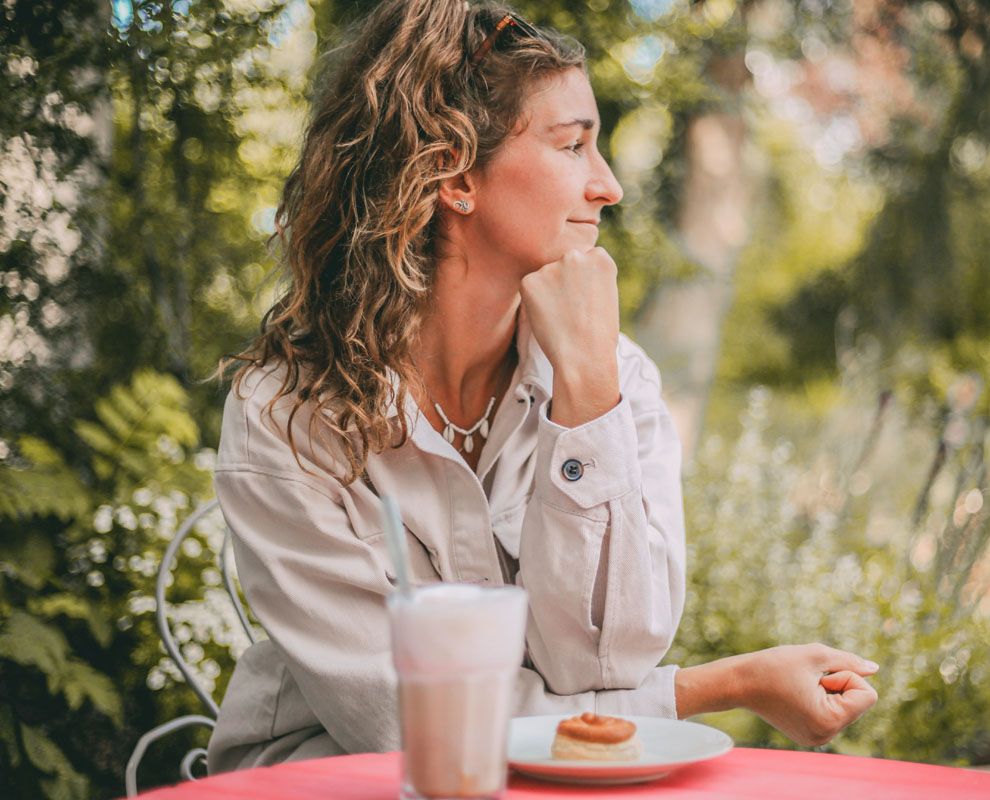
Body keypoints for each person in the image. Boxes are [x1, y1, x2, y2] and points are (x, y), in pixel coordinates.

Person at [207, 0, 878, 773]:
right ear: (453, 172)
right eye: (574, 146)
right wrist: (725, 684)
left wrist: (588, 396)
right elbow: (411, 724)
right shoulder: (285, 418)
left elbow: (602, 663)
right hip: (328, 777)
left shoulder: (616, 376)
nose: (610, 186)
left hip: (548, 783)